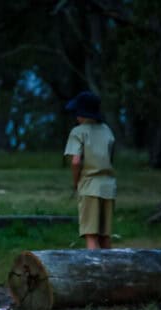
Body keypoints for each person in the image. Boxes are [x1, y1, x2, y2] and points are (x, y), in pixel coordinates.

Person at [64, 91, 116, 250]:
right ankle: (111, 270)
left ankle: (93, 270)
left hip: (89, 186)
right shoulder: (107, 130)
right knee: (105, 235)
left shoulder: (78, 132)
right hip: (109, 187)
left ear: (81, 113)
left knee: (91, 235)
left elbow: (75, 161)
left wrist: (75, 182)